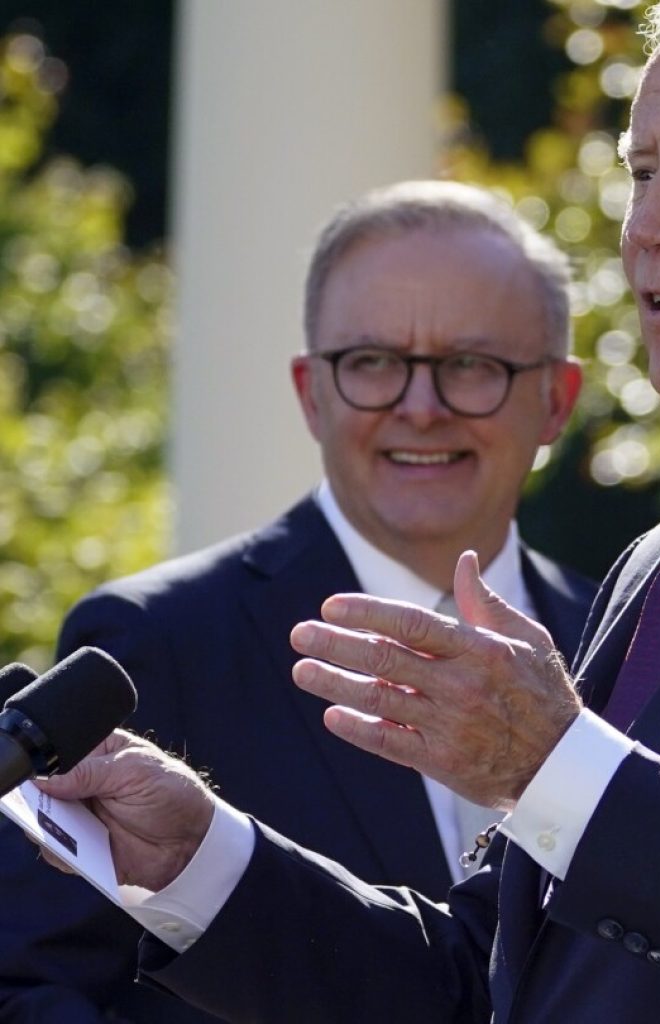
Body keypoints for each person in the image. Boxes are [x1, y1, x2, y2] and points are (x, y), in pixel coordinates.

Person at [33, 0, 660, 1020]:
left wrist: (563, 771)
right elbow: (491, 980)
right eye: (641, 173)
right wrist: (200, 855)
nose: (648, 229)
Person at [0, 180, 594, 1023]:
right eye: (374, 364)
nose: (419, 409)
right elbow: (25, 988)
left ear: (557, 401)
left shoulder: (633, 641)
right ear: (311, 392)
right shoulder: (158, 646)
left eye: (471, 366)